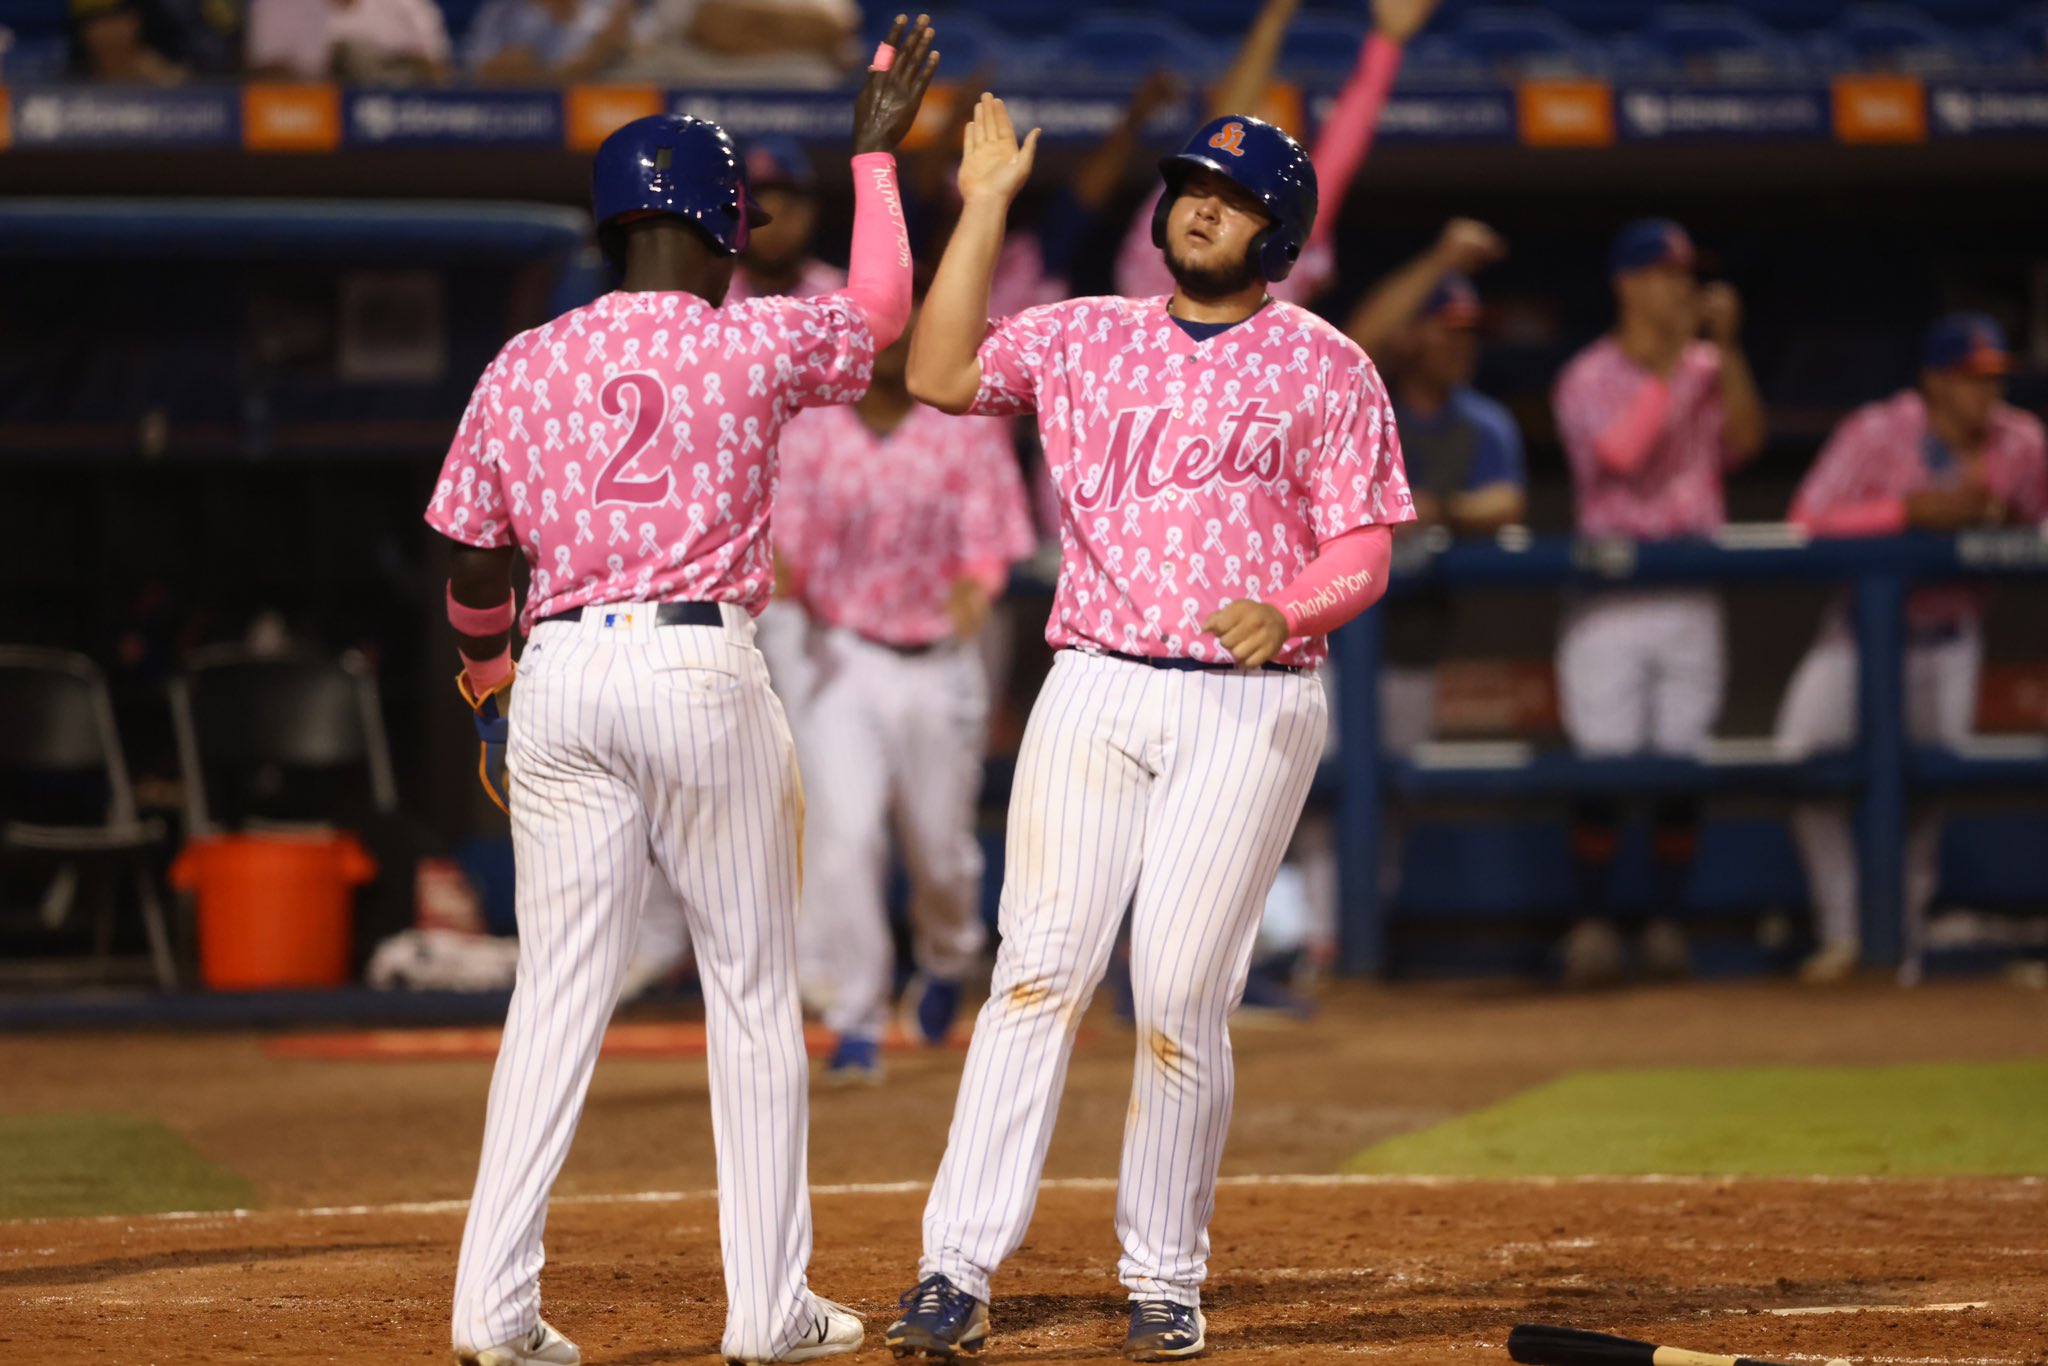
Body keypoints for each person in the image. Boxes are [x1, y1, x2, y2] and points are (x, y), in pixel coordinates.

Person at [426, 18, 936, 1364]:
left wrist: (491, 677)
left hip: (566, 667)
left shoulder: (524, 360)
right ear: (724, 231)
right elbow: (881, 318)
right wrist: (875, 164)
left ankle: (492, 1308)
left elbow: (476, 559)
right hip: (703, 662)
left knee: (555, 995)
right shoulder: (752, 340)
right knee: (755, 991)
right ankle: (767, 1311)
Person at [885, 97, 1411, 1361]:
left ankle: (1163, 1276)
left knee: (1178, 990)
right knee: (1037, 968)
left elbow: (1366, 547)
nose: (1198, 204)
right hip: (1096, 684)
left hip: (1253, 699)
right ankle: (953, 1265)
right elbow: (936, 372)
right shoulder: (1084, 334)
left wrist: (1286, 604)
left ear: (1276, 232)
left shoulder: (1328, 361)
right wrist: (987, 206)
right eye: (1188, 186)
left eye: (1228, 196)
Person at [776, 294, 1037, 1081]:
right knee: (847, 837)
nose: (891, 349)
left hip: (937, 660)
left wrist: (979, 583)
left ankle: (949, 955)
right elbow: (784, 546)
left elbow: (995, 542)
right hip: (845, 657)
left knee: (941, 853)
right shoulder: (814, 428)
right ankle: (856, 1016)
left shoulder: (963, 424)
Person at [1775, 313, 2048, 984]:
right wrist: (1907, 514)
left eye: (1993, 379)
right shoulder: (1878, 432)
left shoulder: (2024, 441)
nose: (1985, 393)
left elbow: (2038, 524)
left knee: (1926, 801)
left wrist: (2007, 526)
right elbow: (1804, 521)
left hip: (1950, 639)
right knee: (1799, 760)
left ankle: (1897, 953)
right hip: (1859, 636)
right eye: (1969, 379)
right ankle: (1843, 931)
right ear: (1933, 380)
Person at [1550, 218, 1767, 987]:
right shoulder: (1587, 375)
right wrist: (1682, 359)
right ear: (1629, 284)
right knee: (1603, 772)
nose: (1683, 289)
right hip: (1611, 600)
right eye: (1668, 275)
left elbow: (1746, 439)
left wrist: (1727, 351)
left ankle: (1666, 926)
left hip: (1690, 594)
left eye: (1687, 275)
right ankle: (1592, 927)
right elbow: (1622, 457)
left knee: (1680, 769)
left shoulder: (1709, 366)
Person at [1113, 0, 1444, 306]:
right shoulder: (1186, 207)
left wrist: (1386, 44)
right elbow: (1228, 124)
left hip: (1247, 365)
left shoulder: (1284, 224)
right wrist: (1278, 13)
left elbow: (1339, 155)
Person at [1347, 218, 1526, 754]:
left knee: (1396, 801)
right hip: (1331, 640)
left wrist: (1439, 508)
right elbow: (1358, 342)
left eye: (1469, 332)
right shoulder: (1364, 404)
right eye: (1448, 328)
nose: (1461, 344)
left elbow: (1506, 503)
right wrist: (1440, 260)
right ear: (1410, 333)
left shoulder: (1484, 422)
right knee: (1314, 807)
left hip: (1414, 643)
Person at [246, 0, 449, 81]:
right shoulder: (276, 3)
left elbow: (439, 77)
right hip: (296, 138)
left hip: (394, 139)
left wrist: (378, 69)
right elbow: (260, 78)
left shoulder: (407, 4)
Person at [461, 0, 631, 82]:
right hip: (512, 112)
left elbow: (592, 66)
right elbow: (479, 69)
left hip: (594, 105)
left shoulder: (604, 11)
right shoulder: (506, 9)